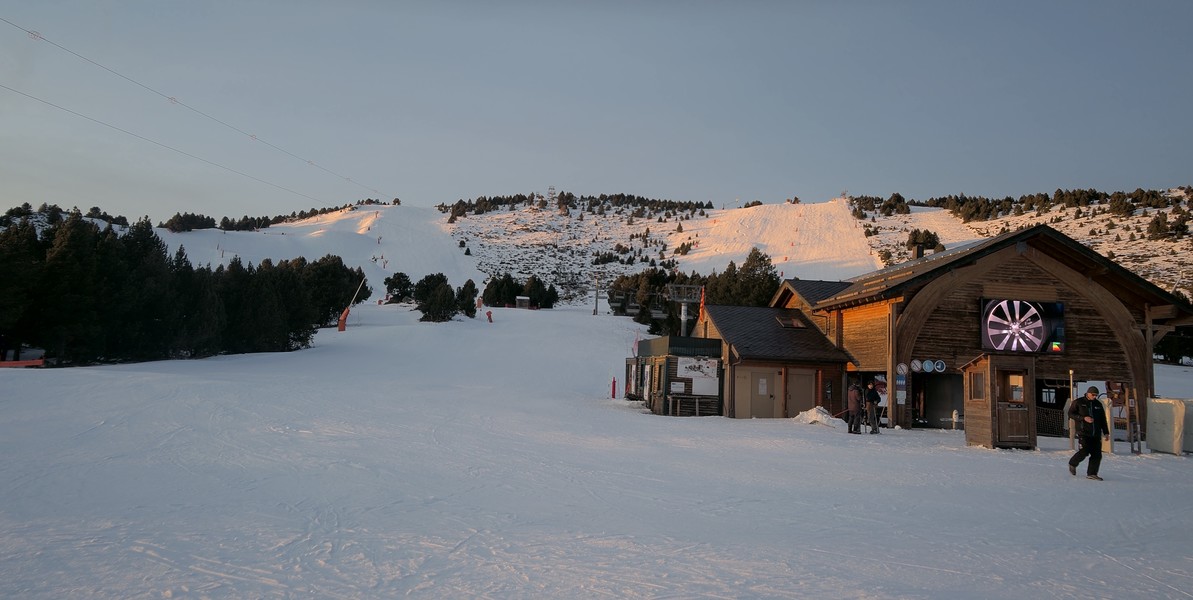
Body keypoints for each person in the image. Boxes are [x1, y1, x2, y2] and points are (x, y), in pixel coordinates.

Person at [1068, 385, 1110, 481]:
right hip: (1084, 433)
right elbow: (1070, 413)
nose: (1094, 396)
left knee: (1097, 455)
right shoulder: (1078, 402)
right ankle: (1072, 463)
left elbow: (1103, 419)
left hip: (1096, 434)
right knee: (1084, 451)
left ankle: (1092, 473)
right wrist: (1083, 418)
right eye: (1093, 394)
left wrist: (1106, 432)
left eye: (1096, 395)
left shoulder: (1098, 404)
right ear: (1088, 393)